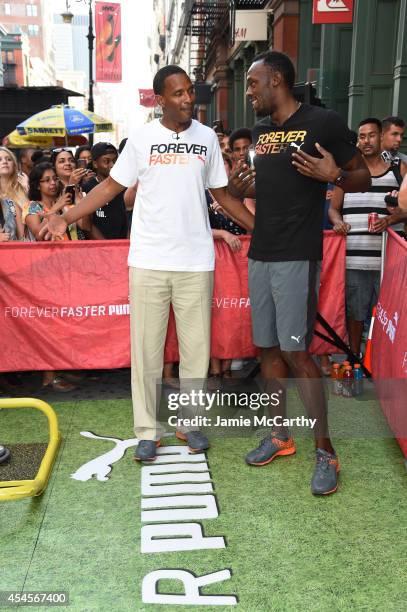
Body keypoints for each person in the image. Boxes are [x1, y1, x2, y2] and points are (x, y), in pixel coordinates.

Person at [40, 65, 254, 462]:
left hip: (195, 261)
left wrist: (259, 228)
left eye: (190, 91)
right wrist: (65, 217)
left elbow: (223, 195)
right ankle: (147, 430)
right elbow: (109, 187)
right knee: (147, 350)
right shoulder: (141, 140)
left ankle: (191, 423)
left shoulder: (206, 138)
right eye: (178, 93)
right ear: (160, 99)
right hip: (148, 260)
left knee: (196, 350)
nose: (188, 98)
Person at [228, 50, 370, 495]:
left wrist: (335, 175)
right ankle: (278, 435)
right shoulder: (264, 133)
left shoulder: (322, 121)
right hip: (260, 254)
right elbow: (250, 189)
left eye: (254, 83)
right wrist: (238, 186)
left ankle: (326, 451)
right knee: (267, 350)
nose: (249, 91)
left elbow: (362, 175)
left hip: (296, 256)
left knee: (298, 356)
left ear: (277, 81)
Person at [329, 118, 407, 358]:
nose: (366, 141)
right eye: (361, 136)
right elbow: (333, 209)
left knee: (388, 316)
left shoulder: (398, 170)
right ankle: (354, 358)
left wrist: (391, 220)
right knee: (356, 314)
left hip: (389, 261)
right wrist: (338, 222)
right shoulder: (348, 173)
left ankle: (382, 360)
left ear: (381, 137)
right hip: (355, 257)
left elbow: (406, 208)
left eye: (371, 135)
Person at [23, 162, 76, 392]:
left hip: (66, 270)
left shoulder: (64, 205)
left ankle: (61, 369)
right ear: (37, 184)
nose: (53, 183)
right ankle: (48, 376)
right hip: (43, 274)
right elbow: (39, 233)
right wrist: (57, 209)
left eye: (54, 178)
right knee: (47, 325)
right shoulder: (31, 207)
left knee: (64, 323)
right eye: (46, 180)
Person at [82, 142, 128, 240]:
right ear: (95, 164)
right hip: (100, 248)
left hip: (123, 246)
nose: (112, 165)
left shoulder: (125, 186)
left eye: (115, 161)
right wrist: (107, 246)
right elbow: (87, 226)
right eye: (106, 161)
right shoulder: (88, 187)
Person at [0, 146, 28, 211]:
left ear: (14, 166)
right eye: (0, 160)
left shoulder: (23, 187)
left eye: (9, 159)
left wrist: (27, 189)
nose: (4, 162)